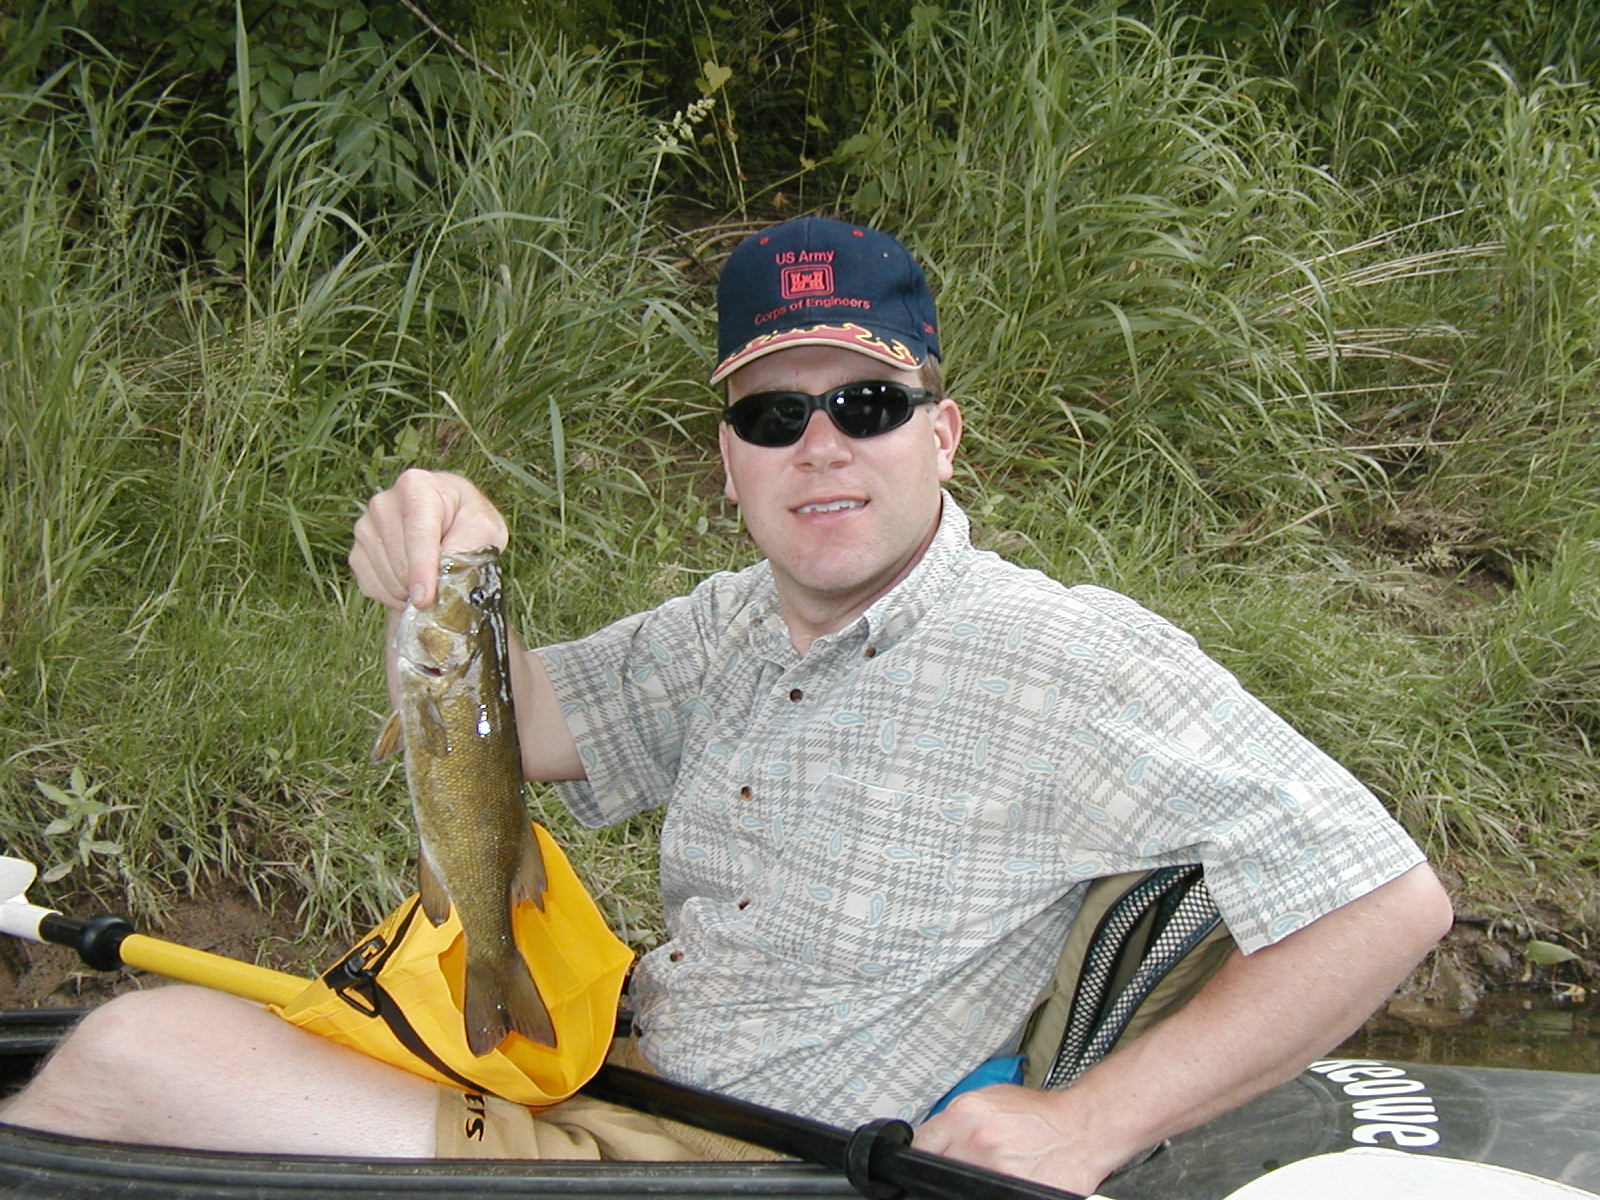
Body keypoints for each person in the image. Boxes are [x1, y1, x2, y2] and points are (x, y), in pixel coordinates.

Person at [1, 216, 1452, 1195]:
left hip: (753, 1168)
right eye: (771, 415)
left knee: (136, 1058)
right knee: (149, 1043)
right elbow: (513, 730)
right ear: (730, 459)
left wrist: (1085, 1125)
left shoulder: (1065, 658)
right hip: (603, 1073)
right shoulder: (732, 628)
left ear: (940, 435)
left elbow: (1386, 901)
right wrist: (445, 566)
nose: (819, 447)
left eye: (865, 406)